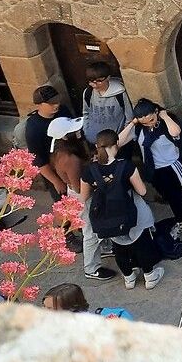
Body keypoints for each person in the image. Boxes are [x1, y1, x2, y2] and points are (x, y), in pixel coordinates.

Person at [79, 130, 164, 289]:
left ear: (97, 146)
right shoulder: (126, 166)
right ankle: (149, 276)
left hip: (107, 214)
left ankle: (129, 278)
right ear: (116, 145)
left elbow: (83, 197)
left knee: (119, 247)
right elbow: (142, 191)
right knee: (141, 244)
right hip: (130, 210)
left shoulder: (89, 170)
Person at [125, 99, 182, 249]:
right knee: (170, 198)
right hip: (155, 170)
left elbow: (176, 132)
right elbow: (118, 142)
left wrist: (164, 116)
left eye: (151, 120)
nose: (149, 124)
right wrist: (132, 123)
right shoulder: (140, 129)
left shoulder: (164, 125)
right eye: (145, 123)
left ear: (156, 113)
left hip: (174, 166)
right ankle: (181, 221)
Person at [48, 116, 117, 282]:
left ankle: (106, 247)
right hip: (82, 197)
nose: (78, 131)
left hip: (77, 194)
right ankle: (91, 268)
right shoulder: (70, 159)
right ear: (66, 136)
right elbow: (80, 186)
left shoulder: (61, 151)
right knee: (90, 232)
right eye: (74, 131)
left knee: (98, 224)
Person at [23, 86, 73, 200]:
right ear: (38, 104)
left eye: (57, 101)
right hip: (54, 170)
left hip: (72, 161)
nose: (56, 105)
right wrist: (56, 181)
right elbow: (38, 159)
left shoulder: (63, 110)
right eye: (51, 103)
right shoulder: (33, 127)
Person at [80, 61, 133, 147]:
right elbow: (86, 112)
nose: (94, 85)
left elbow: (129, 118)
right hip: (93, 141)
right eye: (91, 81)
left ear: (108, 78)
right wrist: (87, 131)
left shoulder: (119, 94)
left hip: (114, 143)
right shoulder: (88, 92)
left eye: (99, 81)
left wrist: (121, 139)